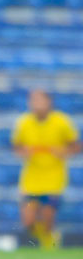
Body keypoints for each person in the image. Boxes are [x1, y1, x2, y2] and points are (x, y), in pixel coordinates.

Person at [11, 89, 80, 249]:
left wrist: (63, 152)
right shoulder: (24, 122)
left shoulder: (62, 122)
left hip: (53, 179)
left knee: (48, 215)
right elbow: (16, 148)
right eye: (33, 100)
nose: (36, 104)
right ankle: (47, 238)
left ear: (49, 102)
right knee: (28, 221)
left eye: (40, 100)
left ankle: (49, 244)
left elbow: (76, 146)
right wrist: (25, 152)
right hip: (31, 179)